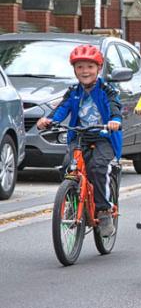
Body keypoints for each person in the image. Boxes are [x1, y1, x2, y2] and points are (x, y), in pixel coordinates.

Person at [36, 45, 122, 237]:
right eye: (80, 67)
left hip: (103, 138)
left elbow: (115, 106)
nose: (85, 71)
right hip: (80, 136)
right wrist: (50, 120)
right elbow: (62, 108)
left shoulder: (107, 90)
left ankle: (104, 211)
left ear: (98, 69)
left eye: (90, 67)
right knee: (69, 165)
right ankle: (72, 201)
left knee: (98, 168)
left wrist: (115, 120)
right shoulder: (74, 91)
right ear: (74, 70)